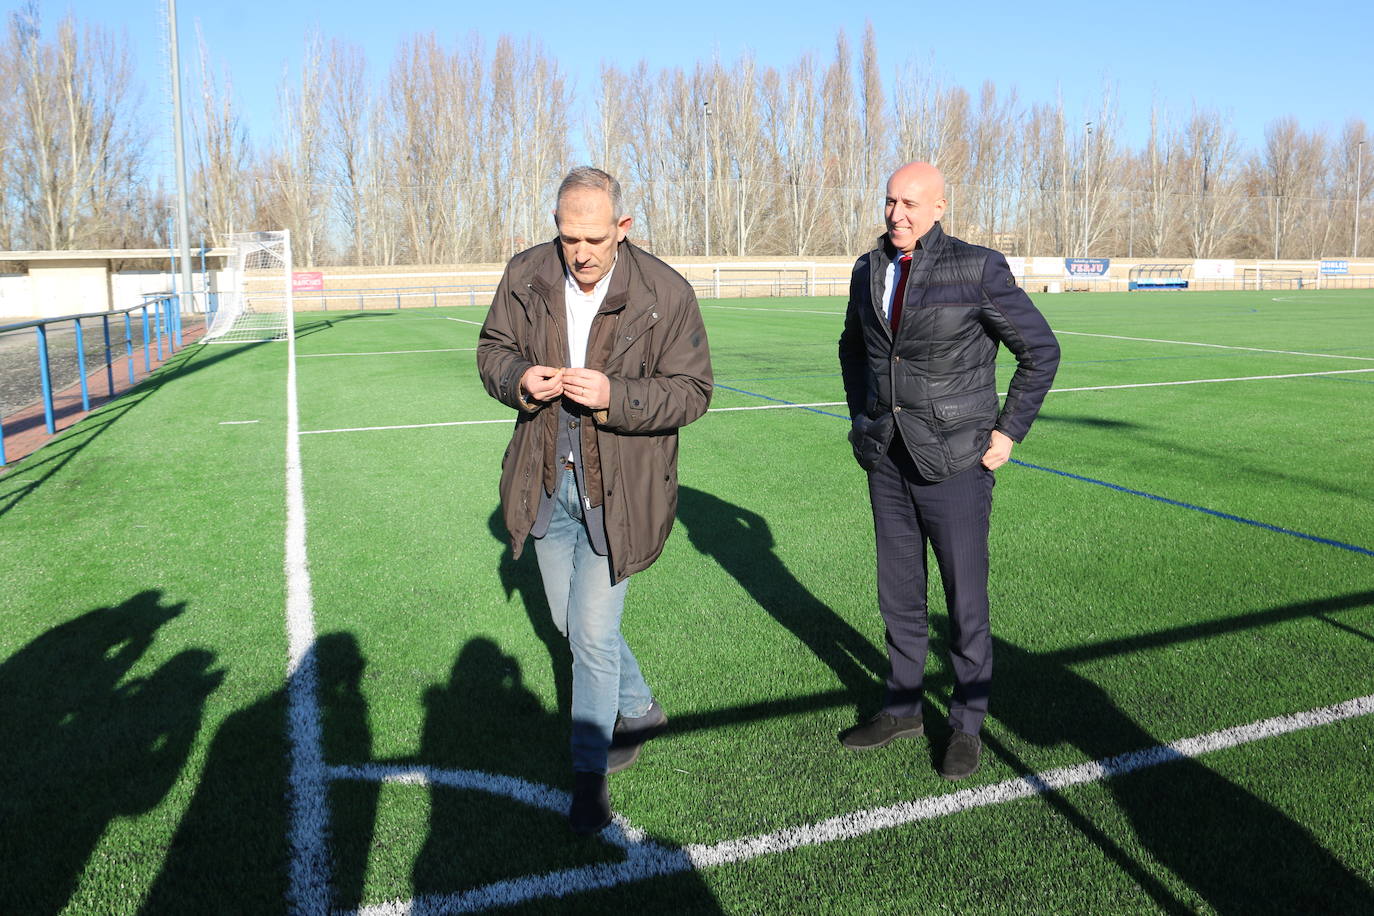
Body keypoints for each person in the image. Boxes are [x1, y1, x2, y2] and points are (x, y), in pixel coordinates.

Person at [476, 166, 713, 833]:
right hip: (545, 483)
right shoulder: (526, 275)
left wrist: (618, 396)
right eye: (568, 236)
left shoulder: (665, 292)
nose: (579, 252)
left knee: (592, 634)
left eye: (594, 238)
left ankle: (589, 778)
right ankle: (638, 707)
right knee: (567, 623)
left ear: (623, 228)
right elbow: (492, 350)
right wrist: (520, 378)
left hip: (622, 492)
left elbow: (694, 391)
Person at [837, 161, 1060, 780]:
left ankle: (966, 724)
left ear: (939, 207)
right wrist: (863, 416)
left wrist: (1007, 432)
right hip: (887, 458)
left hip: (957, 463)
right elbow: (852, 347)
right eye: (889, 201)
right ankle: (903, 707)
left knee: (965, 604)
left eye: (910, 203)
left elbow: (1040, 352)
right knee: (899, 597)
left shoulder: (977, 267)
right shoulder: (869, 268)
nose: (896, 214)